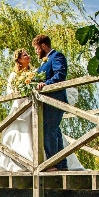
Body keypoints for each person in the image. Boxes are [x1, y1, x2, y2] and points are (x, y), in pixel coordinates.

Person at [0, 48, 84, 172]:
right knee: (22, 133)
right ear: (19, 60)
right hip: (21, 106)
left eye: (28, 53)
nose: (28, 55)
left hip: (34, 105)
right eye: (25, 55)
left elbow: (40, 84)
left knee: (44, 129)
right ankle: (27, 163)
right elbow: (10, 92)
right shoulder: (14, 75)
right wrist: (22, 90)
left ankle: (49, 162)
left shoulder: (35, 72)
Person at [33, 34, 69, 171]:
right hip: (47, 101)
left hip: (55, 99)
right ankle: (61, 164)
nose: (36, 52)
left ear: (43, 46)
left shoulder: (57, 56)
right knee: (54, 131)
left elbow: (60, 75)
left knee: (49, 131)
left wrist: (45, 84)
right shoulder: (44, 62)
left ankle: (54, 164)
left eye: (36, 48)